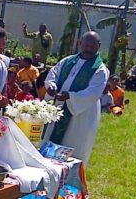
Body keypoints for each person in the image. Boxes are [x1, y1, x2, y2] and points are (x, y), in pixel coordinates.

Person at [42, 32, 109, 165]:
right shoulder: (67, 61)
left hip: (80, 114)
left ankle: (69, 181)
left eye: (92, 45)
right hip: (59, 108)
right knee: (49, 143)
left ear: (98, 46)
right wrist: (52, 85)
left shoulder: (100, 69)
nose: (88, 48)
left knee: (74, 146)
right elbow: (54, 73)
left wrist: (70, 96)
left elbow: (93, 92)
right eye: (86, 44)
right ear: (80, 43)